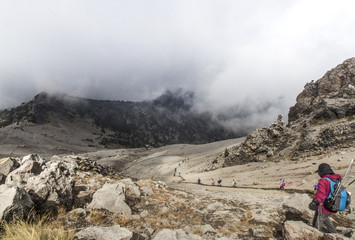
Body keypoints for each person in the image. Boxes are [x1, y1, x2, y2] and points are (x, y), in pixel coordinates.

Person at [308, 163, 341, 233]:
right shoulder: (335, 179)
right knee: (325, 218)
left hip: (324, 206)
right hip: (333, 204)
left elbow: (321, 194)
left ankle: (315, 234)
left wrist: (315, 202)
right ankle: (334, 233)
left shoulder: (323, 180)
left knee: (318, 224)